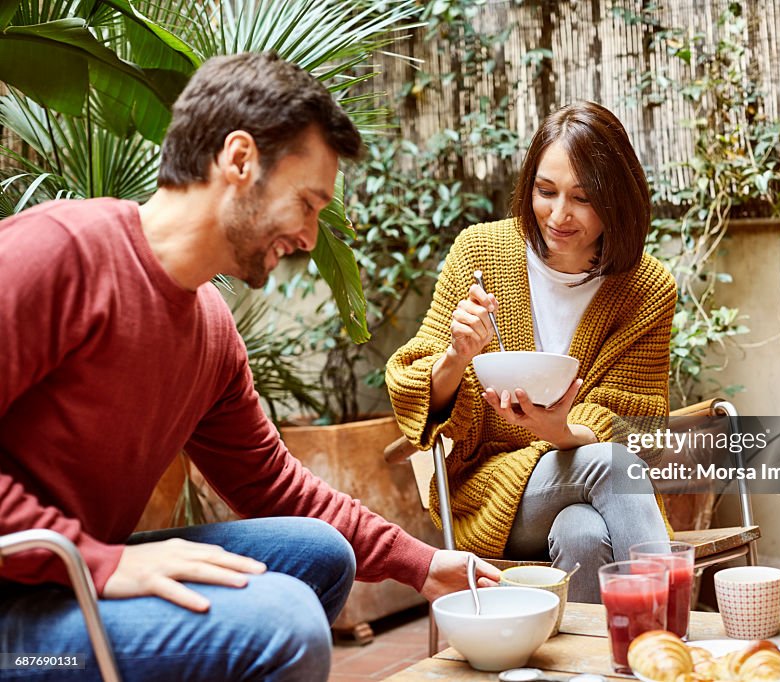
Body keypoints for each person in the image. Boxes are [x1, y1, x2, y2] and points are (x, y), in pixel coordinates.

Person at [0, 52, 499, 682]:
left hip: (66, 574)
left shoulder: (209, 327)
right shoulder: (57, 253)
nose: (313, 237)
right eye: (308, 203)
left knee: (317, 553)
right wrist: (97, 562)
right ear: (239, 161)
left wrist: (420, 563)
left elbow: (274, 484)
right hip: (19, 613)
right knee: (282, 626)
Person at [386, 101, 675, 603]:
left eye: (582, 199)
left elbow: (639, 425)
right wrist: (456, 356)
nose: (559, 215)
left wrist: (560, 431)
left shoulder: (646, 289)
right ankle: (669, 652)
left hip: (586, 479)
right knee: (610, 465)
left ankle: (594, 673)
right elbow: (411, 386)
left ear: (617, 201)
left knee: (581, 531)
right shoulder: (480, 252)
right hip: (488, 492)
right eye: (546, 191)